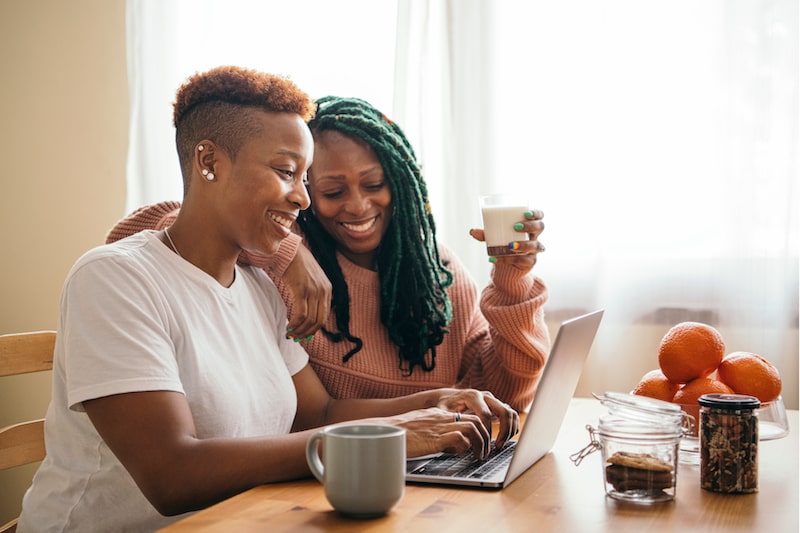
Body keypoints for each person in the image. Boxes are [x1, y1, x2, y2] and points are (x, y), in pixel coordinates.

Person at [17, 66, 518, 533]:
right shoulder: (114, 280)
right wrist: (391, 435)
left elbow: (317, 415)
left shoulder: (261, 287)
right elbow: (172, 476)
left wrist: (431, 404)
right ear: (209, 161)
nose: (303, 197)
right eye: (286, 171)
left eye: (304, 178)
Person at [107, 97, 550, 413]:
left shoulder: (439, 277)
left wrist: (513, 282)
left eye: (374, 184)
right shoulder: (275, 253)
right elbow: (140, 233)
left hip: (422, 472)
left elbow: (504, 397)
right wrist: (287, 251)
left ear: (403, 185)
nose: (357, 207)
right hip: (317, 473)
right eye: (333, 191)